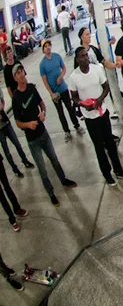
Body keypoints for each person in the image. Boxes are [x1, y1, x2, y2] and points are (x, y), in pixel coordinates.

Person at [12, 63, 78, 206]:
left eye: (22, 71)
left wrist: (43, 113)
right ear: (15, 78)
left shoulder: (31, 88)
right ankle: (51, 193)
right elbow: (17, 122)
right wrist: (27, 125)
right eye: (18, 73)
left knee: (54, 159)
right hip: (32, 139)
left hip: (43, 133)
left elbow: (42, 103)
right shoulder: (16, 97)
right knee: (42, 169)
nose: (21, 74)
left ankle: (63, 179)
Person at [69, 47, 123, 186]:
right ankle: (106, 173)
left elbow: (106, 86)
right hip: (90, 118)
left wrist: (99, 100)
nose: (85, 58)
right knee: (98, 146)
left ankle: (118, 169)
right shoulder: (74, 77)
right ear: (77, 59)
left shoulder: (97, 69)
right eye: (82, 56)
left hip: (102, 112)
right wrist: (82, 104)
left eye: (86, 55)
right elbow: (73, 97)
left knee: (110, 142)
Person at [38, 40, 84, 143]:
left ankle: (77, 126)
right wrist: (52, 93)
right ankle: (66, 131)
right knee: (60, 112)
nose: (48, 48)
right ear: (43, 50)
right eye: (45, 46)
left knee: (70, 108)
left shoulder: (57, 57)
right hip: (55, 93)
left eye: (49, 45)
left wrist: (61, 76)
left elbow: (63, 68)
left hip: (63, 89)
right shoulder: (42, 64)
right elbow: (44, 81)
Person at [0, 84, 34, 177]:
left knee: (17, 143)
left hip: (5, 122)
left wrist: (2, 106)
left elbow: (2, 100)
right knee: (6, 150)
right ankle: (15, 169)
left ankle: (25, 160)